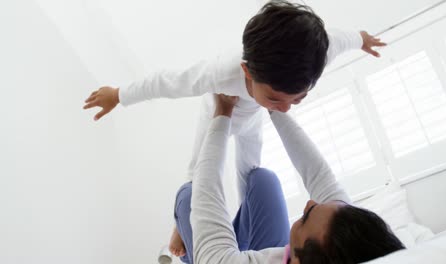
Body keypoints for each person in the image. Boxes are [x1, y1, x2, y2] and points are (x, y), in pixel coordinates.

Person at [82, 0, 386, 258]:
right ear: (246, 73)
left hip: (252, 116)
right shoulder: (221, 74)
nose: (286, 108)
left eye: (299, 98)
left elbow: (340, 39)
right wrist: (119, 94)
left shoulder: (314, 58)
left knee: (252, 169)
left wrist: (361, 39)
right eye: (277, 98)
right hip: (219, 109)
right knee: (199, 170)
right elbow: (167, 82)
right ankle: (182, 224)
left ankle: (244, 227)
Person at [173, 93, 404, 264]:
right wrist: (274, 103)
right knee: (264, 179)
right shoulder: (345, 241)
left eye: (306, 216)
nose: (310, 203)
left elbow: (206, 196)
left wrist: (222, 112)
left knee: (189, 195)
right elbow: (320, 176)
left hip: (215, 257)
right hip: (267, 253)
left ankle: (188, 238)